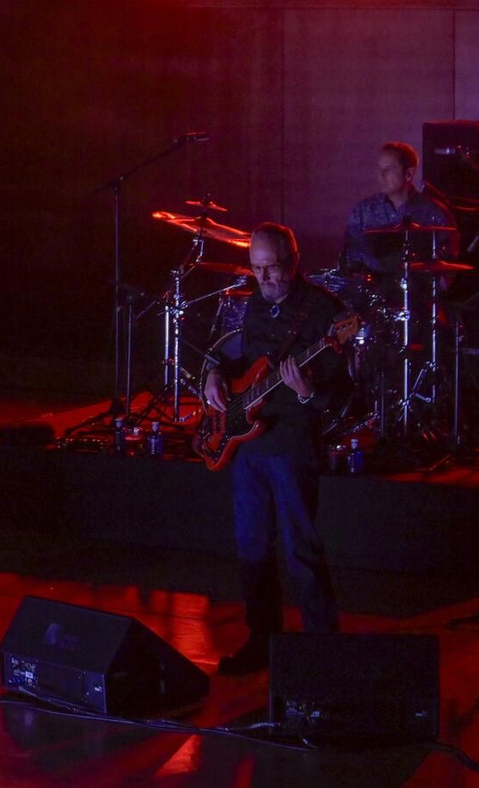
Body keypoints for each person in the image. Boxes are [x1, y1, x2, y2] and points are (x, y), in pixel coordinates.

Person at [203, 223, 345, 675]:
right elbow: (237, 356)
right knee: (252, 546)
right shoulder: (255, 304)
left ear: (294, 261)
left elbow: (343, 391)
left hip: (291, 442)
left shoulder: (324, 311)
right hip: (249, 445)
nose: (263, 278)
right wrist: (214, 374)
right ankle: (262, 640)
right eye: (256, 268)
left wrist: (307, 392)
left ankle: (324, 651)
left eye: (272, 268)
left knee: (300, 547)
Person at [343, 141, 456, 276]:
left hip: (417, 286)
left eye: (389, 168)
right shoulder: (363, 211)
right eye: (379, 168)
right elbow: (350, 258)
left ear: (409, 173)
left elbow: (448, 264)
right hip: (372, 286)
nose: (381, 175)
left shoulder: (433, 213)